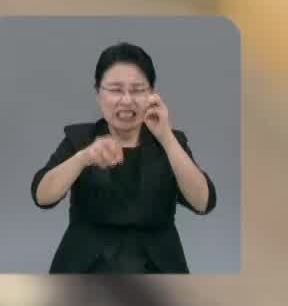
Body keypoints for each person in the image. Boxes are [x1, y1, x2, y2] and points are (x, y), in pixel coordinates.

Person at [30, 42, 217, 273]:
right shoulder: (80, 138)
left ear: (152, 94)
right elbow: (42, 196)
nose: (127, 100)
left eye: (138, 90)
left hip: (158, 265)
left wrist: (166, 137)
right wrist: (83, 158)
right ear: (98, 93)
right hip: (86, 263)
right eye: (116, 90)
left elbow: (203, 202)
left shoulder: (171, 142)